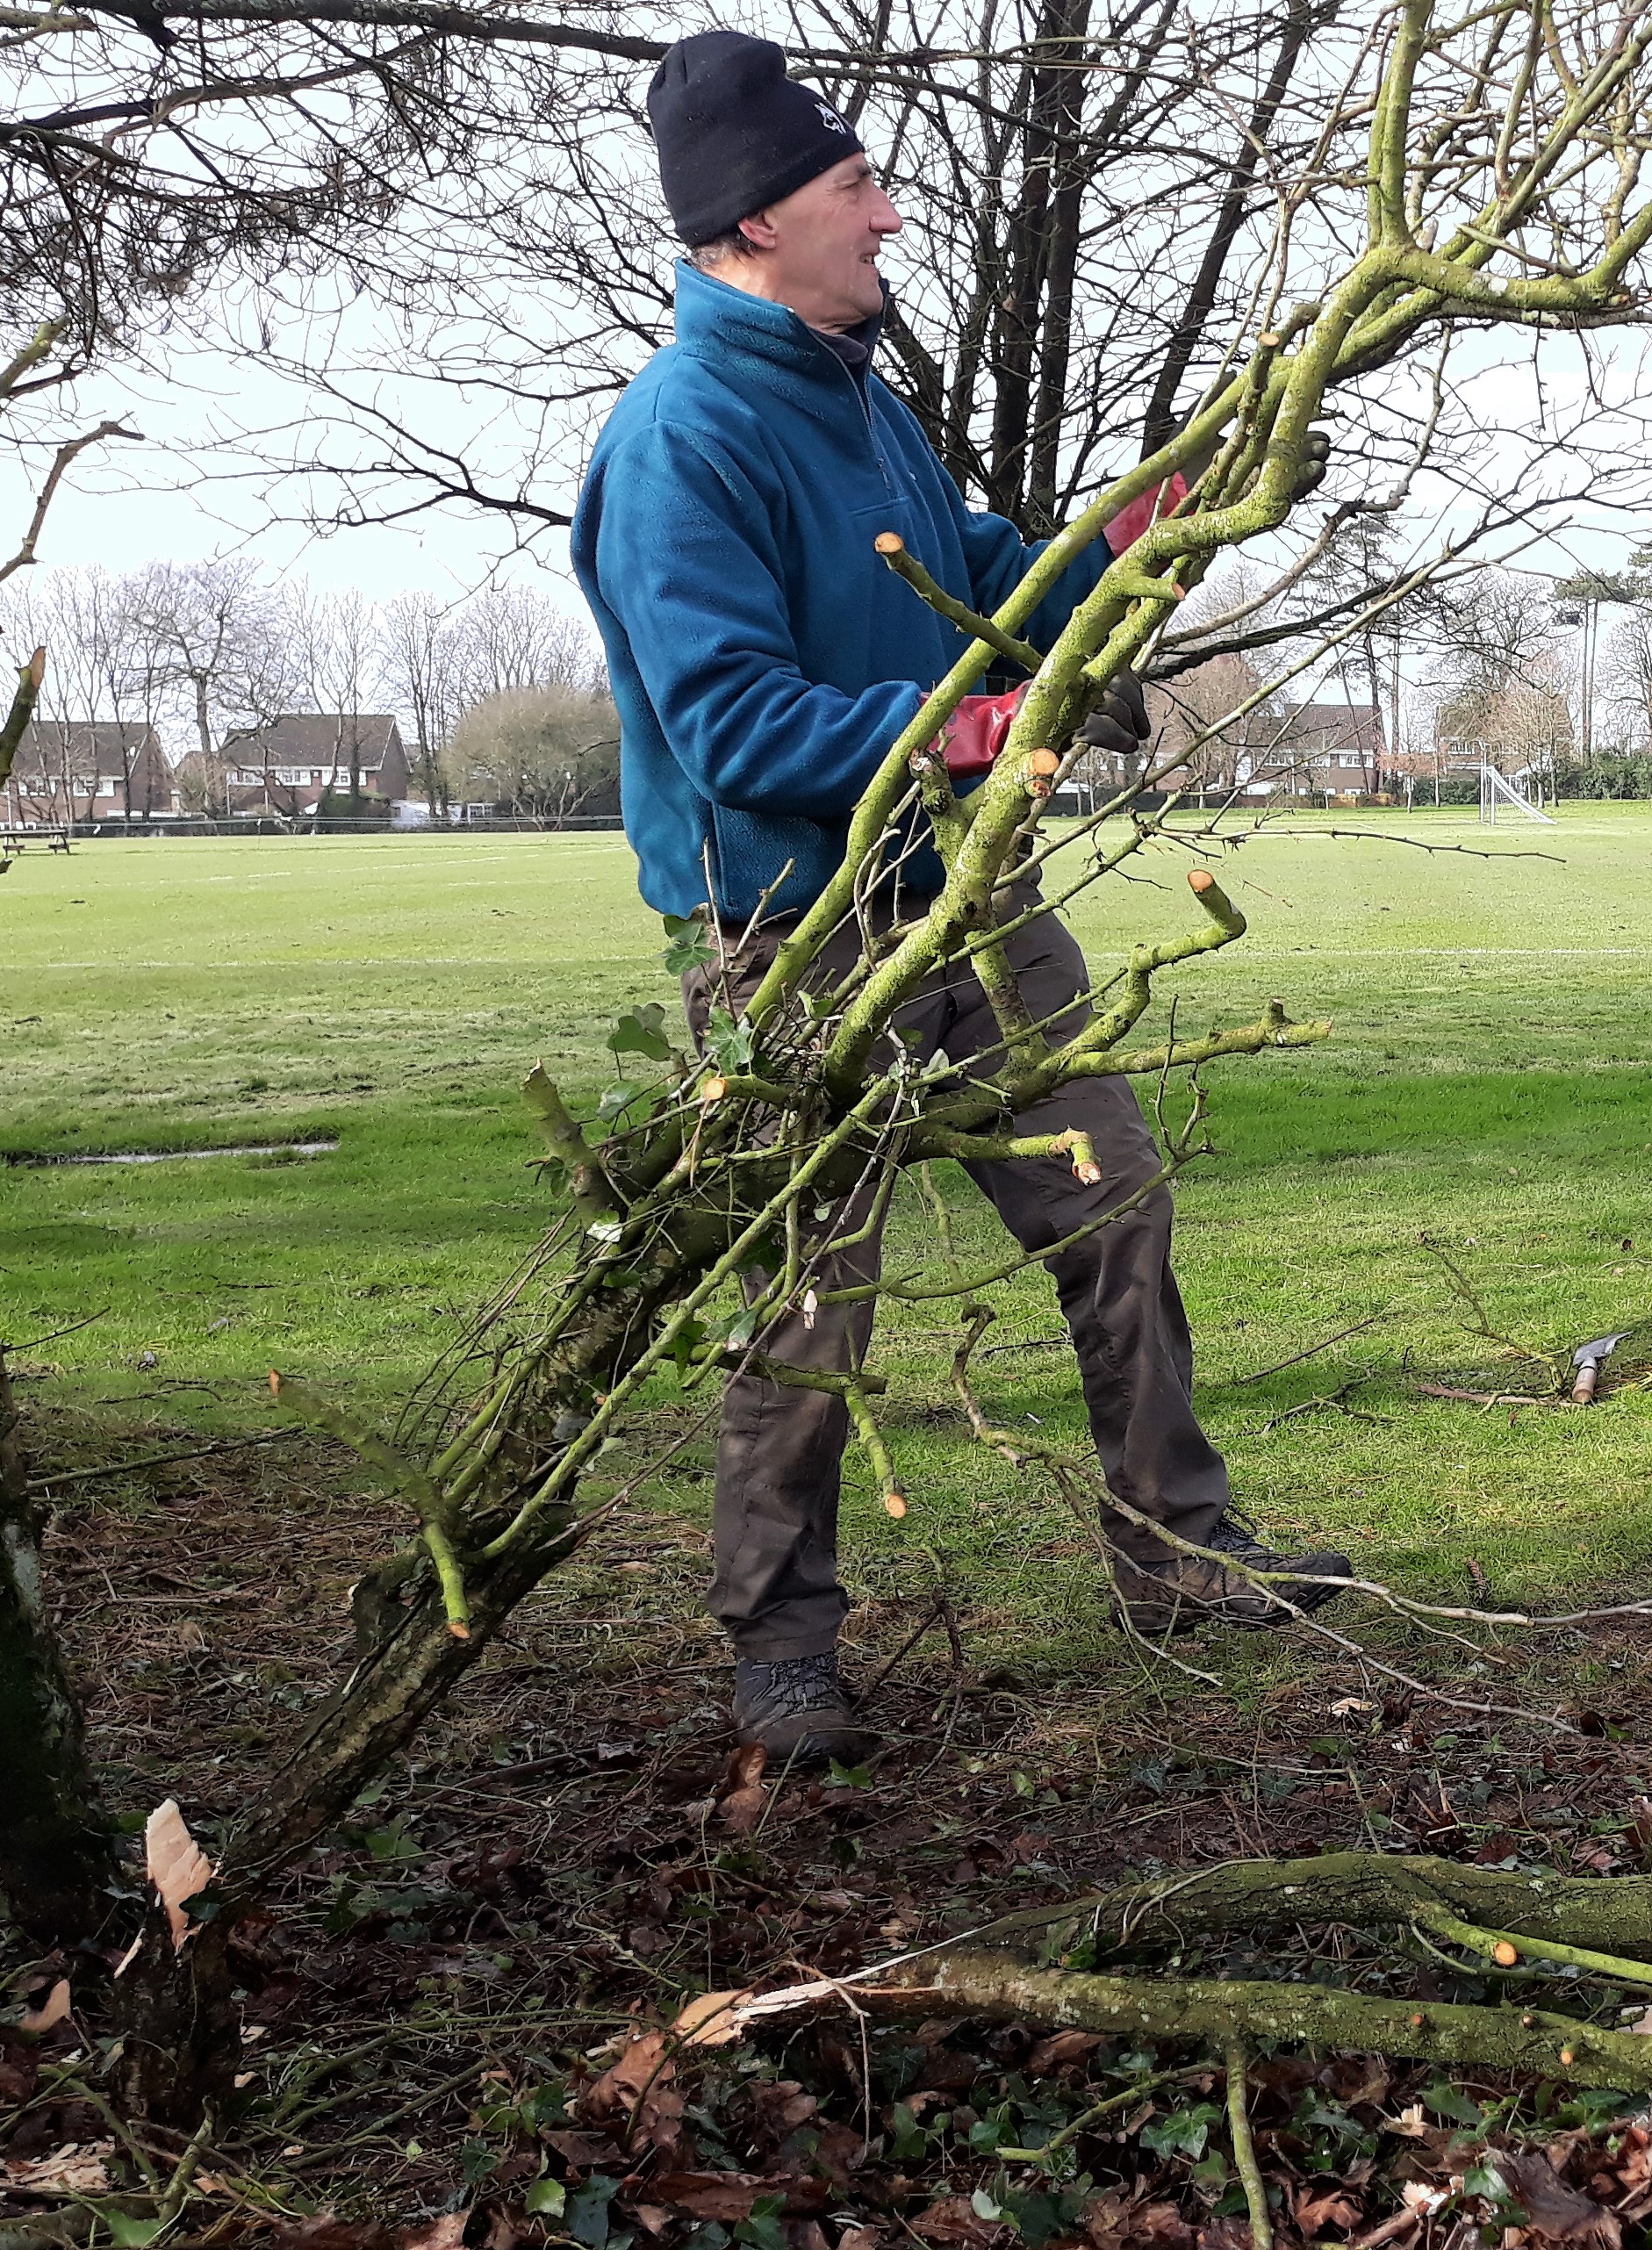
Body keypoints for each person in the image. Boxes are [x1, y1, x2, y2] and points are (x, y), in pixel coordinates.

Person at [570, 28, 1348, 1769]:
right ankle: (782, 1651)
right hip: (794, 934)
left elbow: (987, 577)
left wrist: (1127, 540)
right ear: (755, 221)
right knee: (804, 1300)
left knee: (1112, 1198)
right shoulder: (680, 441)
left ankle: (1178, 1555)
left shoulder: (865, 401)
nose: (892, 218)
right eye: (857, 189)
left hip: (970, 901)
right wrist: (966, 728)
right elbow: (730, 725)